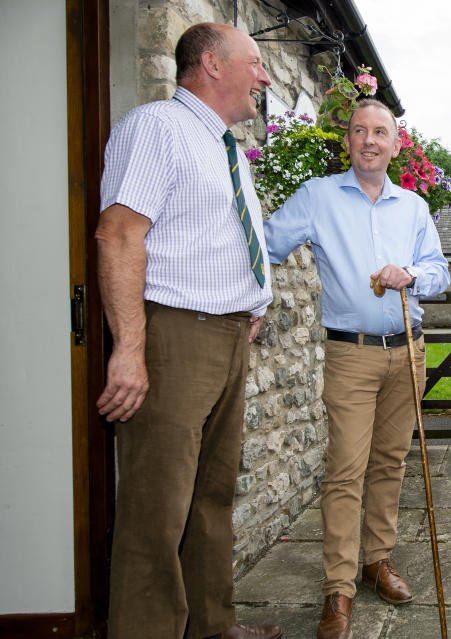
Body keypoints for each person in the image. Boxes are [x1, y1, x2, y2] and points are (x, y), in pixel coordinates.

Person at [96, 23, 281, 639]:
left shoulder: (223, 147)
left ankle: (212, 625)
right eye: (255, 62)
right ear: (211, 64)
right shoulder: (157, 129)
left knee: (212, 499)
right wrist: (129, 349)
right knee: (157, 508)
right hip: (175, 338)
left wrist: (250, 306)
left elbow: (219, 245)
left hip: (228, 338)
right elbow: (119, 234)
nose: (264, 76)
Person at [263, 98, 450, 639]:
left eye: (381, 132)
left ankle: (377, 561)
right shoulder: (319, 196)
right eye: (360, 131)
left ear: (396, 144)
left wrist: (411, 273)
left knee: (390, 463)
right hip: (350, 353)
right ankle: (338, 589)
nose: (370, 140)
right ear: (346, 141)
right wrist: (246, 299)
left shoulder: (413, 207)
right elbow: (267, 244)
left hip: (406, 352)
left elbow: (437, 271)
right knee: (346, 469)